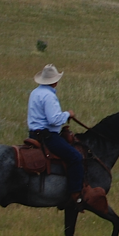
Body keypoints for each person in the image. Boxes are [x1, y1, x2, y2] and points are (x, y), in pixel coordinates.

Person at [27, 64, 84, 208]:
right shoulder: (49, 96)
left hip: (33, 134)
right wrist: (68, 114)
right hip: (48, 137)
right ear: (55, 81)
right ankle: (75, 194)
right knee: (75, 157)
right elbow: (54, 120)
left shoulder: (35, 92)